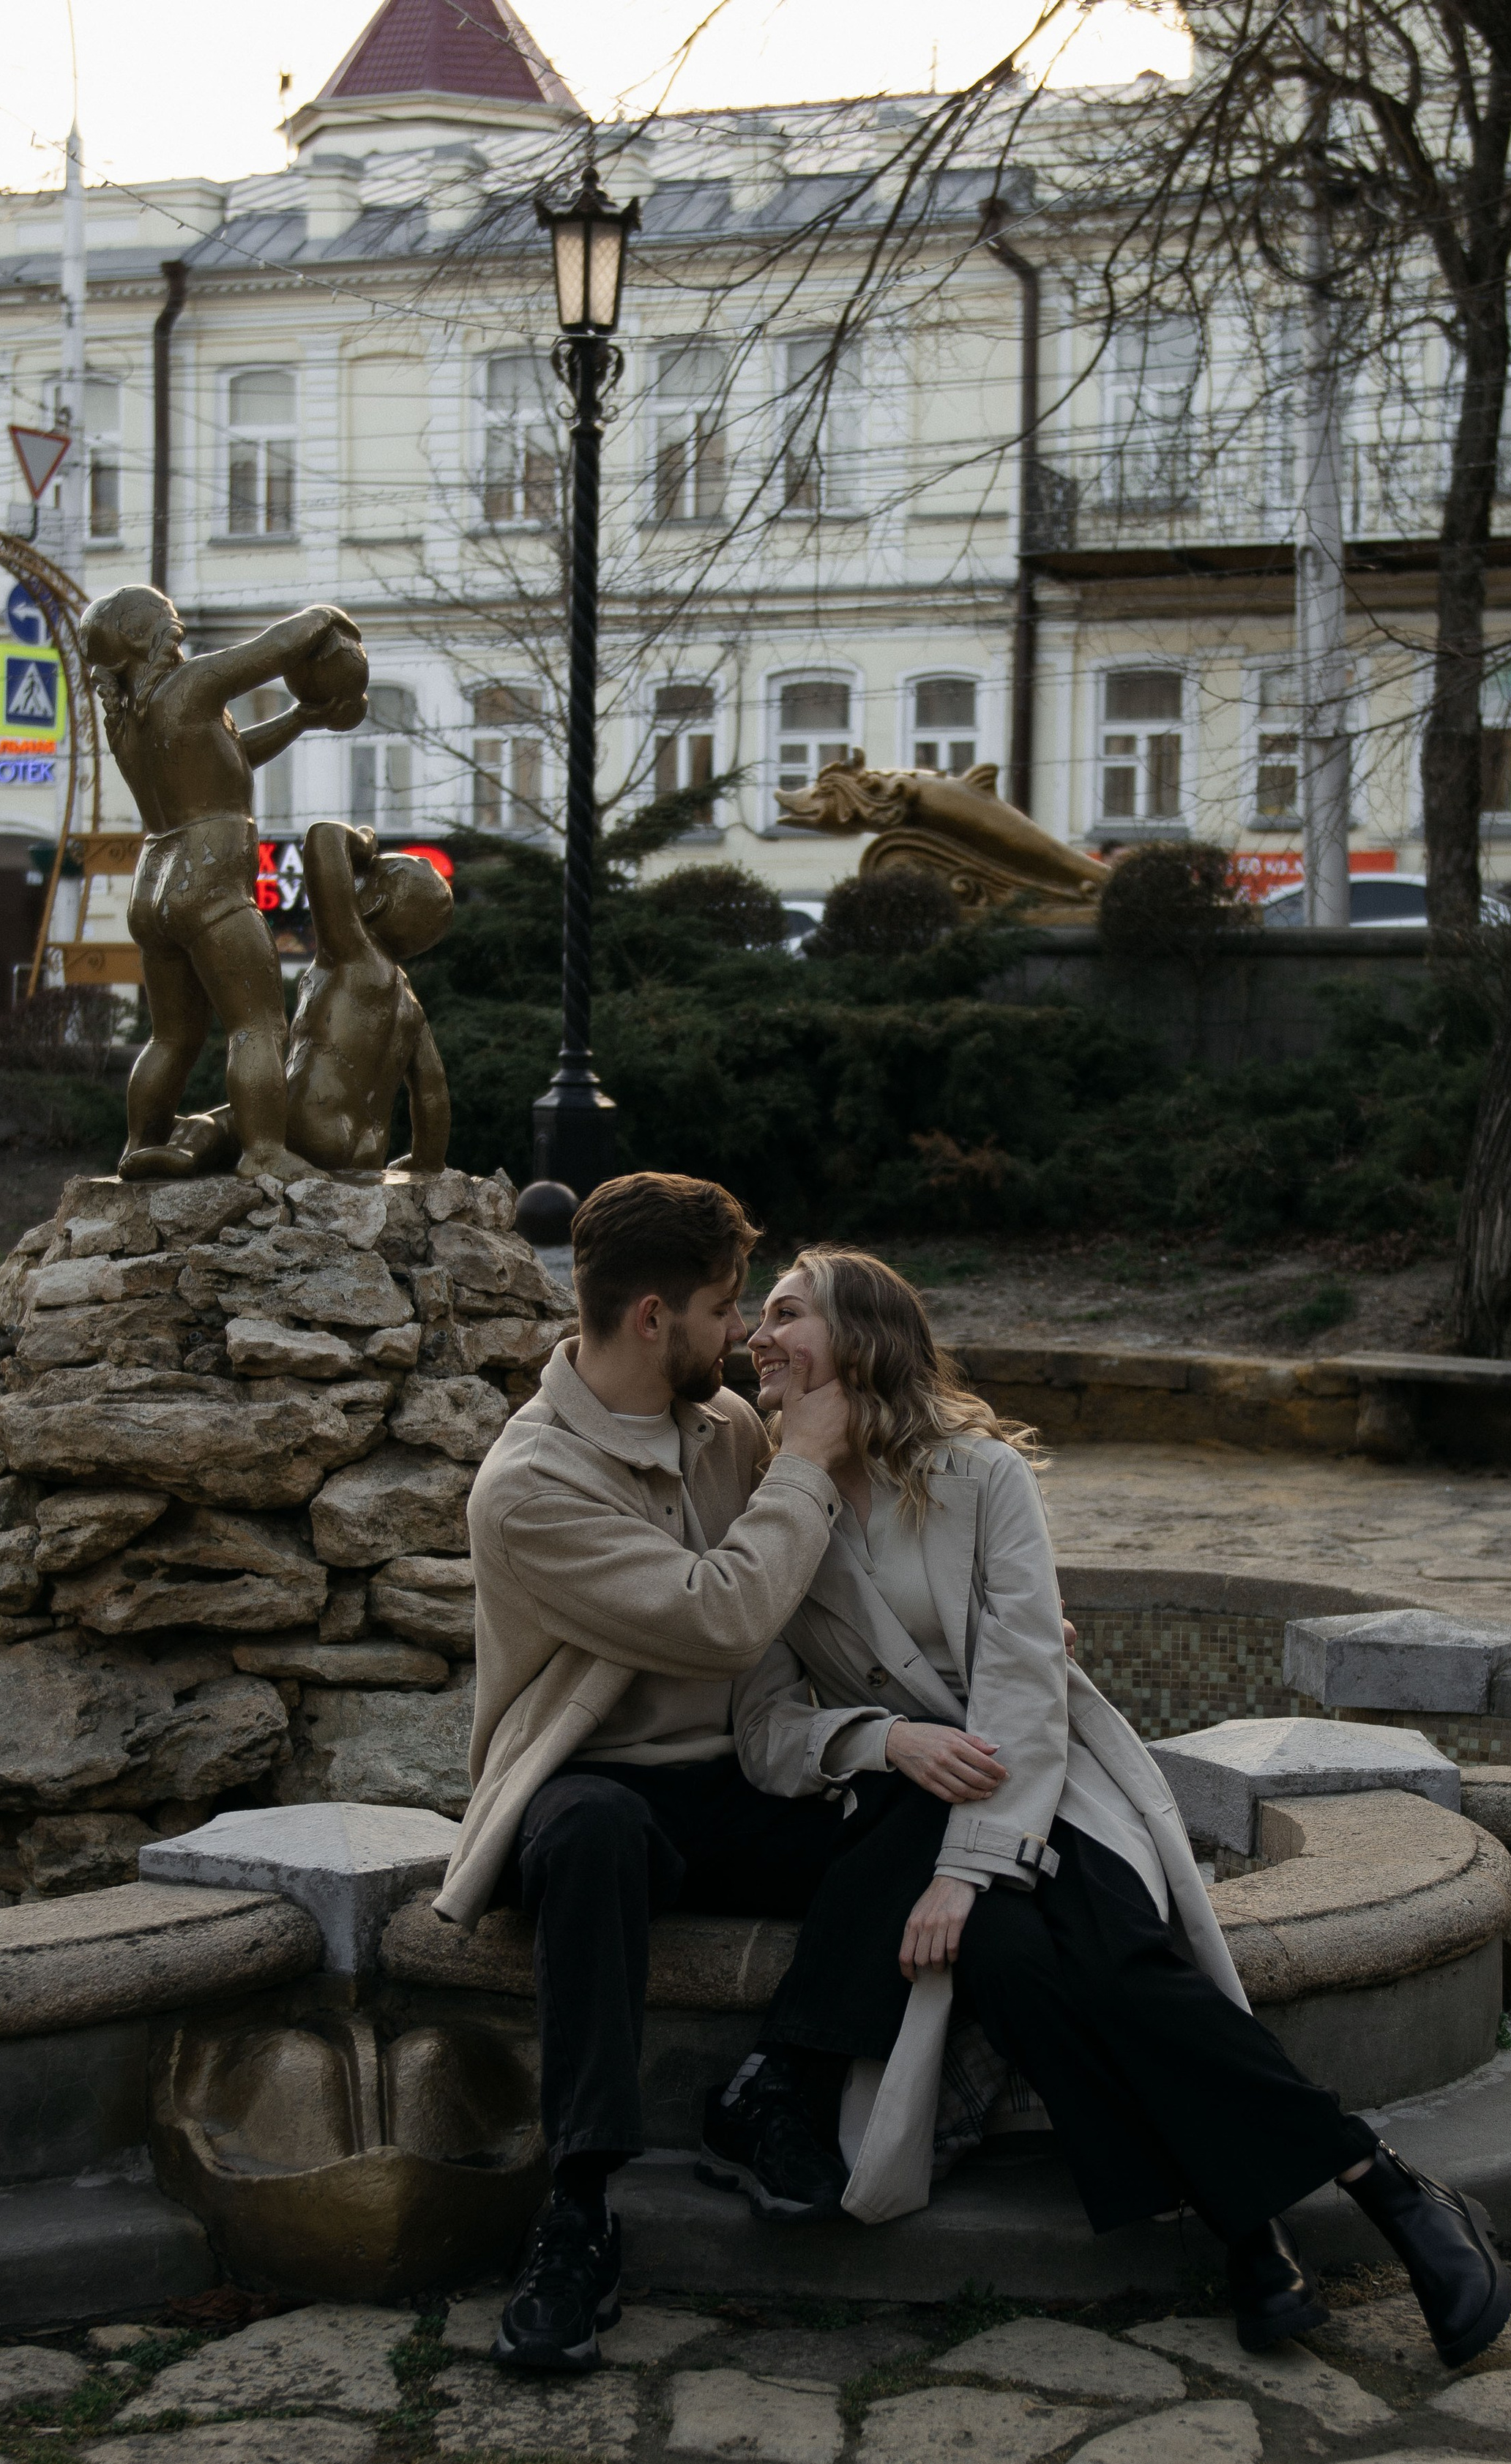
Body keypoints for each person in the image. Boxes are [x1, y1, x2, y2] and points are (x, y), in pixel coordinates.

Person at [718, 1246, 1511, 2372]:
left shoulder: (983, 1476)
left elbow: (1027, 1685)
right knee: (1017, 1967)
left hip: (1051, 1783)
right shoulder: (774, 1506)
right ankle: (1272, 2214)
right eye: (757, 1315)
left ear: (860, 1338)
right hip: (906, 1804)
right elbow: (763, 1729)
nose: (758, 1334)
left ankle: (1370, 2190)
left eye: (786, 1313)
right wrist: (881, 1736)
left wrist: (965, 1868)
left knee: (1108, 1959)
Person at [429, 1175, 954, 2372]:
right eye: (726, 1309)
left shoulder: (724, 1430)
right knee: (593, 1834)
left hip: (739, 1777)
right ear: (654, 1317)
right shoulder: (529, 1487)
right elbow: (721, 1618)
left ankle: (777, 2083)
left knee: (922, 1789)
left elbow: (826, 1585)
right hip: (592, 1781)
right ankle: (579, 2208)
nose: (746, 1336)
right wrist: (809, 1463)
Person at [78, 584, 366, 1183]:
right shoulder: (192, 685)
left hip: (154, 879)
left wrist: (303, 717)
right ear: (141, 635)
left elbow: (227, 756)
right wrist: (325, 616)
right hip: (209, 876)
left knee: (172, 1036)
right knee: (256, 1023)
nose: (176, 627)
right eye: (166, 620)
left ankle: (141, 1142)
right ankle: (264, 1151)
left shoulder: (126, 715)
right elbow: (275, 648)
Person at [151, 823, 453, 1180]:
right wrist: (427, 1158)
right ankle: (187, 1139)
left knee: (223, 1122)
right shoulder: (409, 1004)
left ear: (373, 904)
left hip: (311, 1124)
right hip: (366, 1150)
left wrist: (361, 844)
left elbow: (323, 837)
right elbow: (432, 1090)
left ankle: (185, 1149)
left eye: (363, 878)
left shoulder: (355, 957)